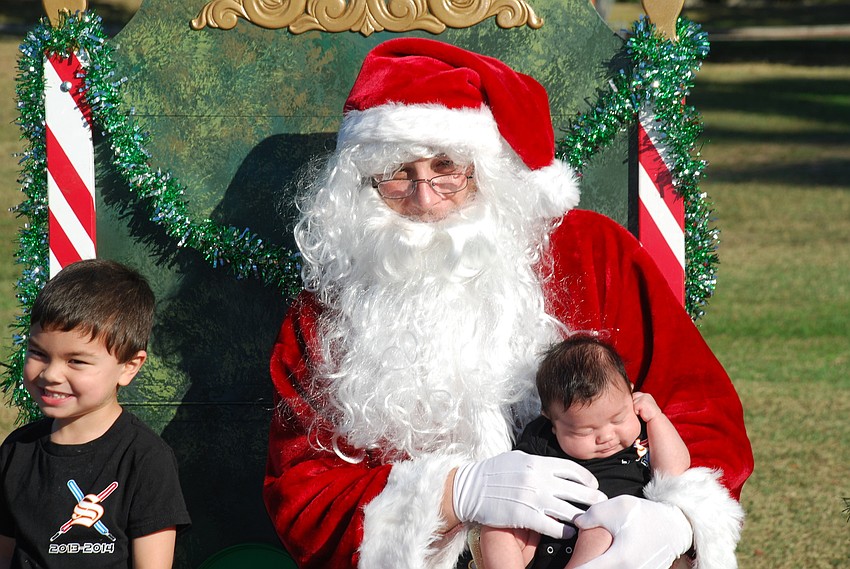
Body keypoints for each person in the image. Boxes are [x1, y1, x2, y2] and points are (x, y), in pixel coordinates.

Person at [263, 37, 752, 569]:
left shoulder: (591, 252)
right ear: (361, 183)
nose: (425, 198)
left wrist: (672, 517)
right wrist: (454, 495)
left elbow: (701, 408)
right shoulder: (333, 308)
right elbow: (301, 492)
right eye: (397, 173)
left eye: (447, 166)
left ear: (484, 164)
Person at [0, 259, 191, 569]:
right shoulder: (16, 451)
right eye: (38, 353)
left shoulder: (145, 460)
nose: (51, 374)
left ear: (129, 367)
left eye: (76, 361)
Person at [479, 336, 691, 569]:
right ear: (551, 421)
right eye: (584, 431)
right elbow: (515, 479)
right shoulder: (542, 439)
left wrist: (656, 419)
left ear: (631, 394)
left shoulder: (644, 428)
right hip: (548, 537)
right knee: (498, 527)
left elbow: (674, 470)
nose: (606, 436)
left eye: (618, 419)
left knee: (601, 528)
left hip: (614, 541)